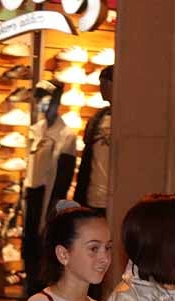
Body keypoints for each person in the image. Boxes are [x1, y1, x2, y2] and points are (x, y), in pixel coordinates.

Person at [22, 80, 77, 296]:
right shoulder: (34, 131)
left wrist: (52, 211)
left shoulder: (67, 136)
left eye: (45, 99)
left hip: (48, 198)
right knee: (28, 248)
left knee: (43, 249)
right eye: (38, 99)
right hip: (31, 196)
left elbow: (62, 180)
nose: (41, 104)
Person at [75, 65, 113, 214]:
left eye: (105, 83)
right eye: (100, 83)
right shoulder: (97, 119)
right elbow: (87, 160)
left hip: (116, 197)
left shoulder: (129, 121)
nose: (101, 88)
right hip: (92, 195)